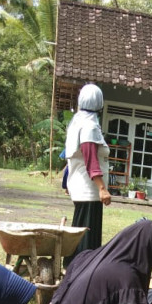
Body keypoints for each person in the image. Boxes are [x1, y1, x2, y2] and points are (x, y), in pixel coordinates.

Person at [65, 83, 111, 257]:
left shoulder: (77, 121)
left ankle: (74, 270)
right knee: (86, 240)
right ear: (99, 103)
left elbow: (69, 156)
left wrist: (65, 182)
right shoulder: (90, 126)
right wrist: (102, 188)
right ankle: (80, 273)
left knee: (79, 234)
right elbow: (89, 157)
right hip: (89, 190)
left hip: (82, 188)